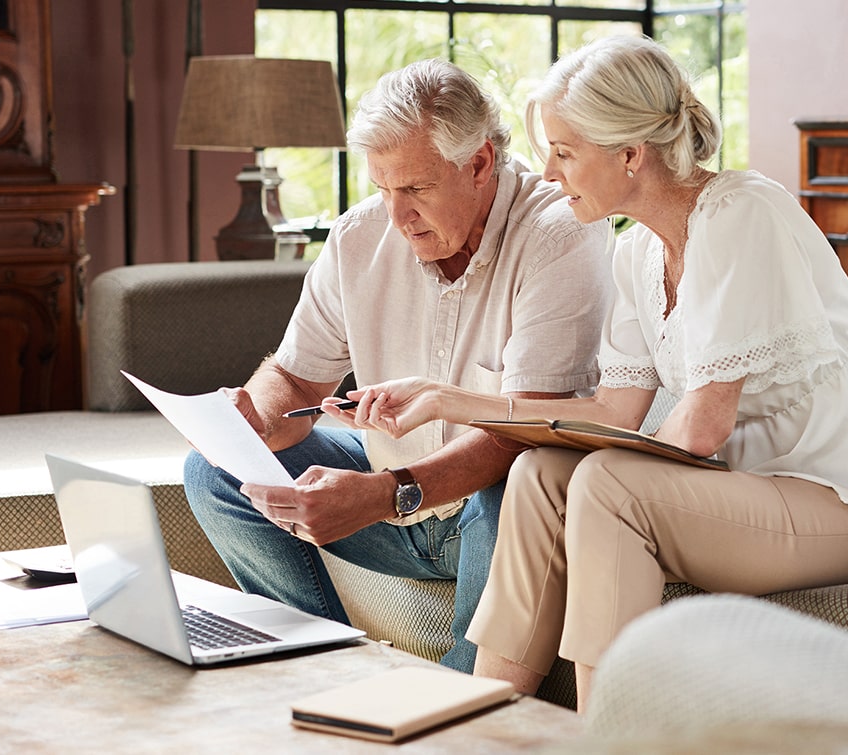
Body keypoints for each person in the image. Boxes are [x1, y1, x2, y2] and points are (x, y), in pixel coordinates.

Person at [346, 35, 848, 710]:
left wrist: (526, 427)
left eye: (565, 152)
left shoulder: (744, 213)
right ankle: (486, 715)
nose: (546, 173)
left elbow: (696, 431)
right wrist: (451, 399)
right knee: (542, 474)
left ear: (631, 155)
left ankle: (612, 733)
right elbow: (614, 413)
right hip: (765, 493)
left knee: (606, 483)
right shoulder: (637, 255)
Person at [183, 59, 614, 674]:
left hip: (483, 506)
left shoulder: (559, 233)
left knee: (521, 481)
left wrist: (385, 495)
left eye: (415, 189)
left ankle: (461, 702)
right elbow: (296, 378)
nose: (396, 215)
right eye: (384, 189)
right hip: (394, 494)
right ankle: (321, 666)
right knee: (212, 471)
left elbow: (522, 432)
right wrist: (253, 417)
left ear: (480, 163)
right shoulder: (359, 235)